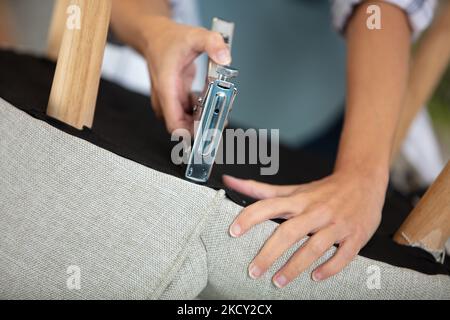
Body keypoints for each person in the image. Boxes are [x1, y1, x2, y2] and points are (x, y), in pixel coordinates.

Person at [109, 0, 436, 288]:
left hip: (339, 123)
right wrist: (153, 30)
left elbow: (384, 7)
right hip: (160, 95)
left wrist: (363, 174)